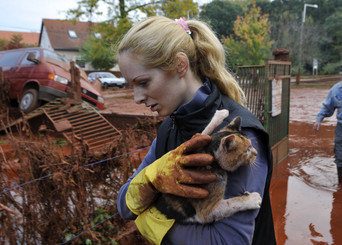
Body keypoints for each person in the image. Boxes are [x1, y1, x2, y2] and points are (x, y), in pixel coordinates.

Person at [116, 16, 276, 245]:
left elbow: (229, 241)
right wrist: (151, 181)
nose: (137, 98)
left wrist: (151, 221)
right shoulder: (168, 127)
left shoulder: (240, 138)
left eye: (143, 82)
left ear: (181, 65)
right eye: (132, 86)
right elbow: (123, 205)